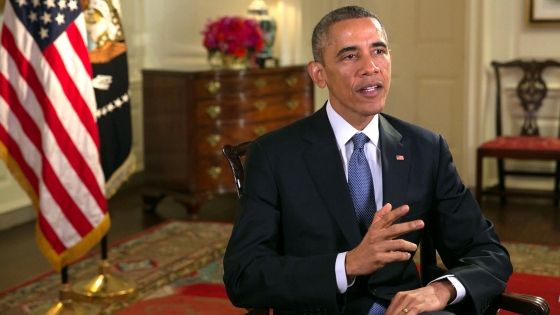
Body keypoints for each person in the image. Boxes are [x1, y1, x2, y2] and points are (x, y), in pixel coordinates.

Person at [223, 6, 512, 315]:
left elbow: (488, 252)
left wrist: (441, 290)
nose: (370, 67)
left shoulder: (426, 148)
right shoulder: (274, 154)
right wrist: (347, 265)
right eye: (350, 56)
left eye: (378, 51)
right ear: (318, 74)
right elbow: (244, 276)